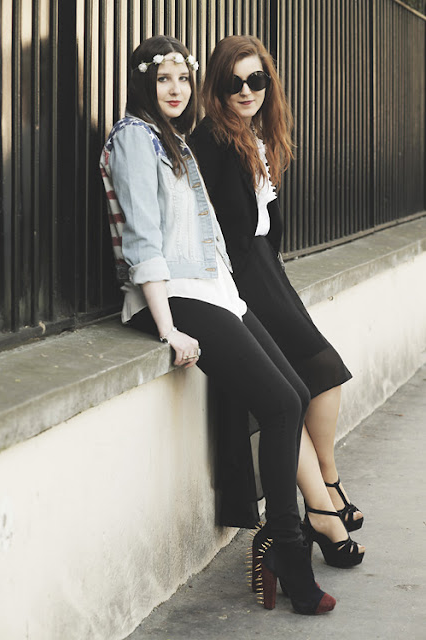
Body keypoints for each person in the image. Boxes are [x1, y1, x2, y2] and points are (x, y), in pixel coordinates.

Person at [100, 34, 336, 615]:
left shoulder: (175, 142)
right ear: (143, 83)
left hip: (212, 290)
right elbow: (143, 240)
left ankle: (283, 542)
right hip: (174, 297)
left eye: (183, 79)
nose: (175, 89)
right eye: (162, 79)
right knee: (279, 405)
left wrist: (231, 298)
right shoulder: (134, 139)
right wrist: (167, 328)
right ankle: (288, 549)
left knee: (295, 394)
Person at [190, 35, 365, 567]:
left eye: (256, 80)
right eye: (234, 82)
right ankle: (323, 504)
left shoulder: (254, 137)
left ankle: (327, 491)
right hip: (243, 281)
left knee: (313, 382)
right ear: (217, 87)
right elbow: (215, 229)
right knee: (305, 383)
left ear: (269, 82)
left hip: (268, 273)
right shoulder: (213, 140)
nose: (247, 90)